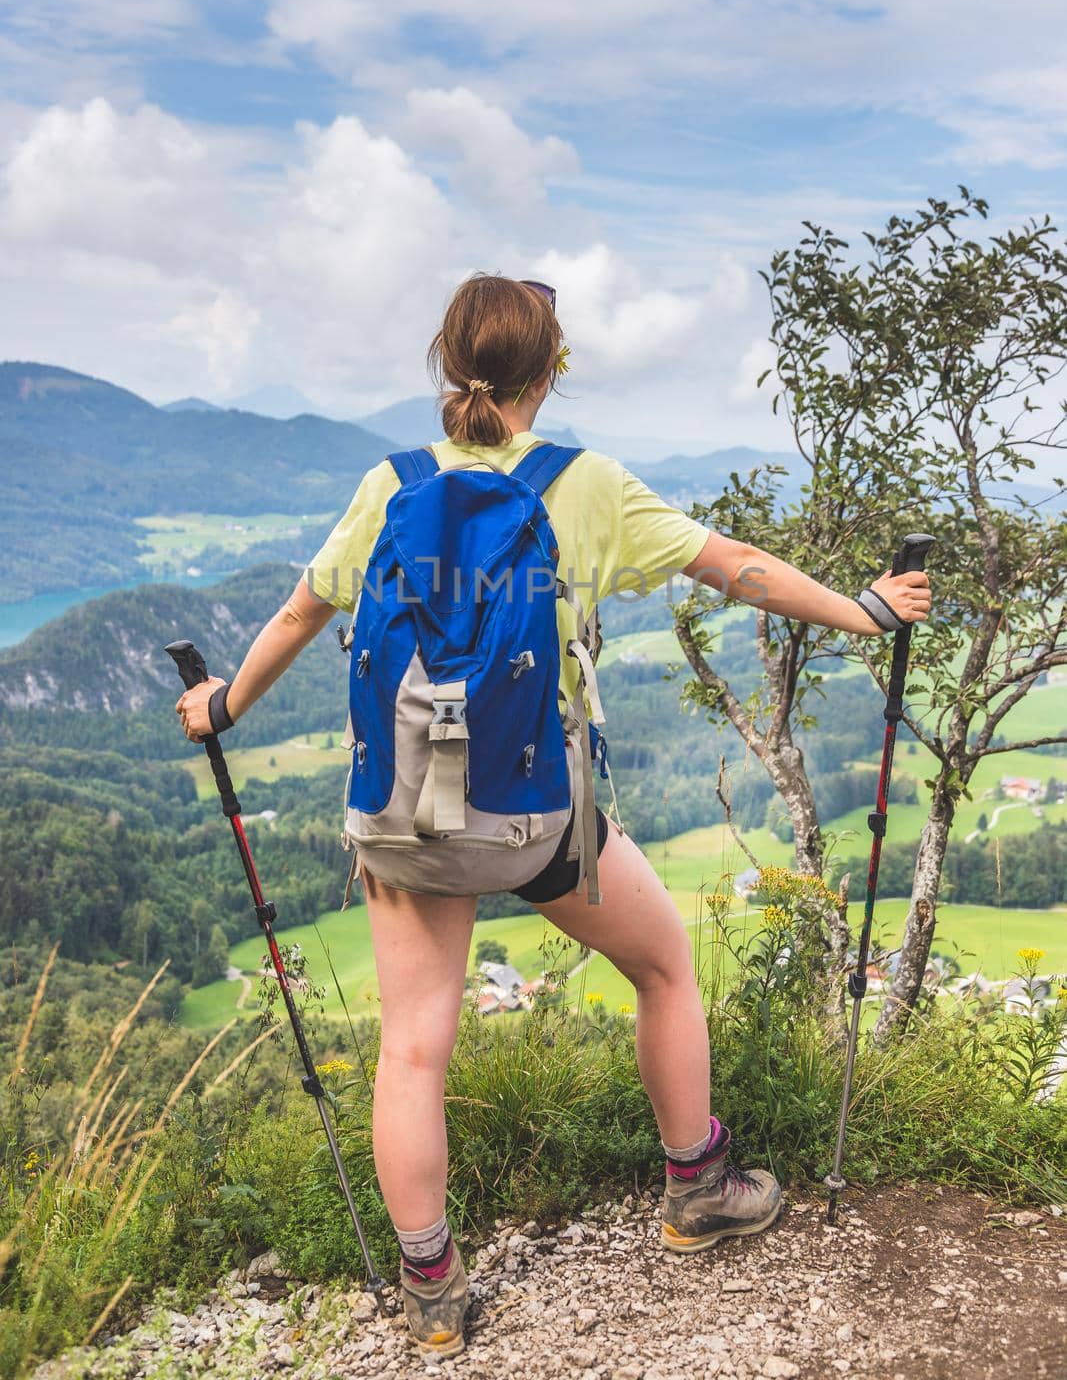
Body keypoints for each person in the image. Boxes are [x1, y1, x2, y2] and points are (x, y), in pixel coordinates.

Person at [176, 274, 931, 1359]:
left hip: (400, 818)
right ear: (551, 371)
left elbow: (303, 609)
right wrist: (860, 611)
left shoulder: (386, 485)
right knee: (664, 966)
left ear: (446, 364)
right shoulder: (584, 487)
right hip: (537, 820)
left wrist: (222, 706)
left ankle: (432, 1291)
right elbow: (738, 571)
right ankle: (695, 1186)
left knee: (413, 1049)